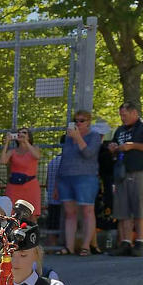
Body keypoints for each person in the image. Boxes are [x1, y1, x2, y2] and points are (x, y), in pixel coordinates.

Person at [109, 103, 143, 256]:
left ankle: (139, 242)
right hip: (121, 173)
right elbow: (116, 150)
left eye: (124, 115)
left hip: (140, 172)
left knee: (139, 207)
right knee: (122, 209)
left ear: (134, 113)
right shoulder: (119, 130)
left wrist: (132, 146)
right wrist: (113, 149)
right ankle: (125, 242)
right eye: (120, 115)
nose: (122, 118)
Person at [56, 110, 103, 256]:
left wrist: (78, 138)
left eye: (82, 120)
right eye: (76, 120)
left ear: (89, 122)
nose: (78, 123)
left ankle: (86, 246)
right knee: (70, 213)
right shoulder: (68, 138)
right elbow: (63, 159)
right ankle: (69, 247)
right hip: (66, 178)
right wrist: (57, 182)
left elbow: (89, 154)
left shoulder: (94, 136)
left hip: (86, 177)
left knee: (87, 211)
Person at [0, 128, 43, 227]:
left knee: (32, 215)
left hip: (30, 186)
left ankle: (31, 238)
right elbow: (2, 161)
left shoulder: (34, 148)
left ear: (29, 136)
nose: (21, 134)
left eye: (24, 133)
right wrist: (6, 143)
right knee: (12, 213)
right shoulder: (13, 151)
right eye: (19, 133)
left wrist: (26, 142)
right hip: (14, 187)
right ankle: (12, 238)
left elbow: (37, 156)